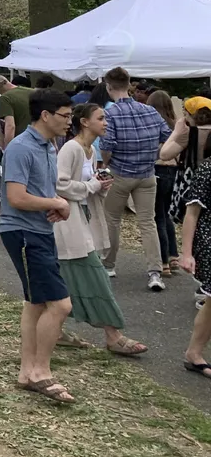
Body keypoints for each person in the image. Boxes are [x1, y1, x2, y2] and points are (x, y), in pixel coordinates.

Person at [0, 89, 77, 403]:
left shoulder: (49, 145)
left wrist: (53, 205)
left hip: (39, 230)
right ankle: (40, 373)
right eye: (65, 116)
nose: (69, 123)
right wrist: (57, 202)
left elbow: (37, 192)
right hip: (23, 232)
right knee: (60, 305)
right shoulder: (20, 147)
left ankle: (26, 371)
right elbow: (16, 197)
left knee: (35, 302)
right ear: (45, 115)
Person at [56, 103, 148, 357]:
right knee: (94, 277)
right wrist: (92, 186)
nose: (106, 122)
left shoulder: (90, 149)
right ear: (85, 122)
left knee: (66, 280)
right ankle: (113, 335)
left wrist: (98, 185)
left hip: (84, 222)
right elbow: (60, 185)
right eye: (101, 118)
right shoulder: (71, 148)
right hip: (68, 225)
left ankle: (55, 329)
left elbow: (86, 184)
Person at [98, 66, 171, 291]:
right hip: (147, 174)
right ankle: (155, 271)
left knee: (112, 219)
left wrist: (106, 164)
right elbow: (167, 137)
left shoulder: (109, 114)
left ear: (109, 87)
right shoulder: (150, 111)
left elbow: (107, 145)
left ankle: (109, 264)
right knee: (147, 223)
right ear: (129, 85)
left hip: (120, 173)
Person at [177, 129, 211, 380]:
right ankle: (194, 353)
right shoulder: (208, 169)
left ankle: (194, 353)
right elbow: (191, 213)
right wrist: (186, 253)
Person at [149, 90, 186, 275]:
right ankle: (173, 256)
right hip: (174, 172)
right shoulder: (175, 126)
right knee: (166, 215)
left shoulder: (152, 124)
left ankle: (163, 261)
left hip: (157, 169)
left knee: (158, 218)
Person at [0, 74, 32, 147]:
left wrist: (8, 147)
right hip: (40, 139)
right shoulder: (32, 92)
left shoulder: (5, 98)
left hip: (21, 142)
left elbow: (10, 126)